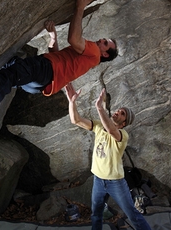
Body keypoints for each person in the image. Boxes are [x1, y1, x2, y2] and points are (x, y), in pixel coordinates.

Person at [0, 0, 118, 120]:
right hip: (40, 84)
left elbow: (73, 39)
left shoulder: (94, 52)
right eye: (104, 39)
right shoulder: (88, 60)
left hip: (45, 70)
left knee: (11, 73)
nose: (101, 40)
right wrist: (53, 38)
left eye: (105, 43)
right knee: (9, 62)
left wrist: (79, 8)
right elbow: (59, 58)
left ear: (105, 54)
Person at [64, 83, 152, 230]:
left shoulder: (122, 135)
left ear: (124, 123)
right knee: (96, 214)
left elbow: (111, 130)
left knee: (132, 214)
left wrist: (99, 107)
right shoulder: (98, 126)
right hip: (98, 180)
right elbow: (76, 120)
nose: (118, 112)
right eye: (118, 110)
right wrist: (72, 102)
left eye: (122, 113)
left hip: (115, 183)